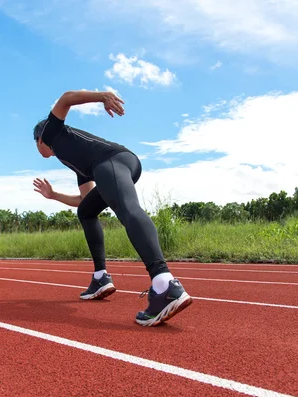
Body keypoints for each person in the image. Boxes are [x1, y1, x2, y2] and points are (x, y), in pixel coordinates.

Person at [32, 89, 192, 327]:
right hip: (118, 165)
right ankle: (100, 278)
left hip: (112, 160)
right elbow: (84, 201)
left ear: (39, 139)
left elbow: (65, 98)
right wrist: (54, 195)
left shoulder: (51, 132)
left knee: (128, 209)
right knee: (86, 212)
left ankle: (164, 284)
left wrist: (102, 96)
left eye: (35, 144)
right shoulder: (74, 160)